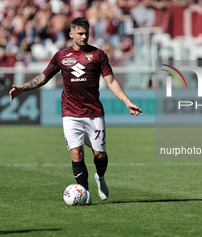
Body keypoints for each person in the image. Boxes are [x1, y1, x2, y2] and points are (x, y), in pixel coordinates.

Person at [9, 17, 142, 205]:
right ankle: (84, 193)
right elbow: (44, 77)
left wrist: (127, 102)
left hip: (94, 112)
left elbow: (110, 81)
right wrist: (23, 88)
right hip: (70, 113)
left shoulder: (98, 55)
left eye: (86, 33)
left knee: (100, 155)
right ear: (71, 34)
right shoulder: (61, 56)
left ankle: (100, 177)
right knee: (76, 153)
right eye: (80, 33)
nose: (84, 36)